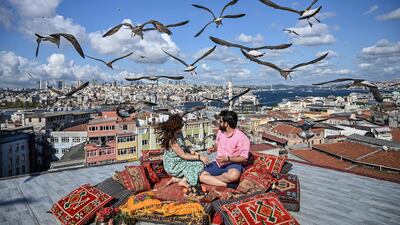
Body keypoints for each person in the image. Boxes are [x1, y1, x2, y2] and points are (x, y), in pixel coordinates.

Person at [159, 114, 210, 193]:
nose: (182, 126)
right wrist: (199, 157)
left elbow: (184, 147)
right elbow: (184, 155)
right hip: (173, 165)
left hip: (180, 160)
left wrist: (193, 152)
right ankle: (183, 181)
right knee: (199, 164)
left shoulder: (179, 134)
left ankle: (178, 179)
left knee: (197, 163)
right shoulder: (172, 141)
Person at [199, 110, 250, 189]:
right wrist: (213, 149)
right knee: (200, 175)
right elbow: (217, 145)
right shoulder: (220, 132)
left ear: (226, 124)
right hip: (218, 163)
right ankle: (227, 185)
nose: (219, 123)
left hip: (232, 164)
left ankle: (211, 180)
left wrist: (228, 159)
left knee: (234, 176)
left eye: (221, 121)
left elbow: (244, 159)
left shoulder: (242, 138)